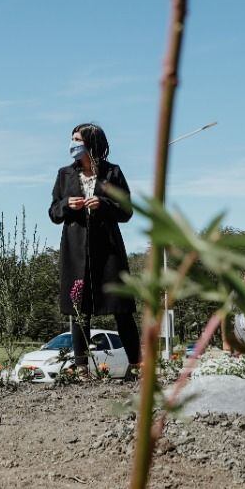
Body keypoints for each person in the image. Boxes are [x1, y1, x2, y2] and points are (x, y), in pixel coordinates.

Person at [48, 123, 140, 377]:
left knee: (122, 307)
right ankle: (81, 368)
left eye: (77, 139)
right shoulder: (64, 174)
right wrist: (67, 204)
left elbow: (126, 211)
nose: (72, 144)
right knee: (79, 311)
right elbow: (54, 212)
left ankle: (137, 365)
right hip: (75, 248)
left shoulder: (113, 173)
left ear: (92, 144)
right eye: (72, 138)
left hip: (108, 249)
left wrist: (104, 203)